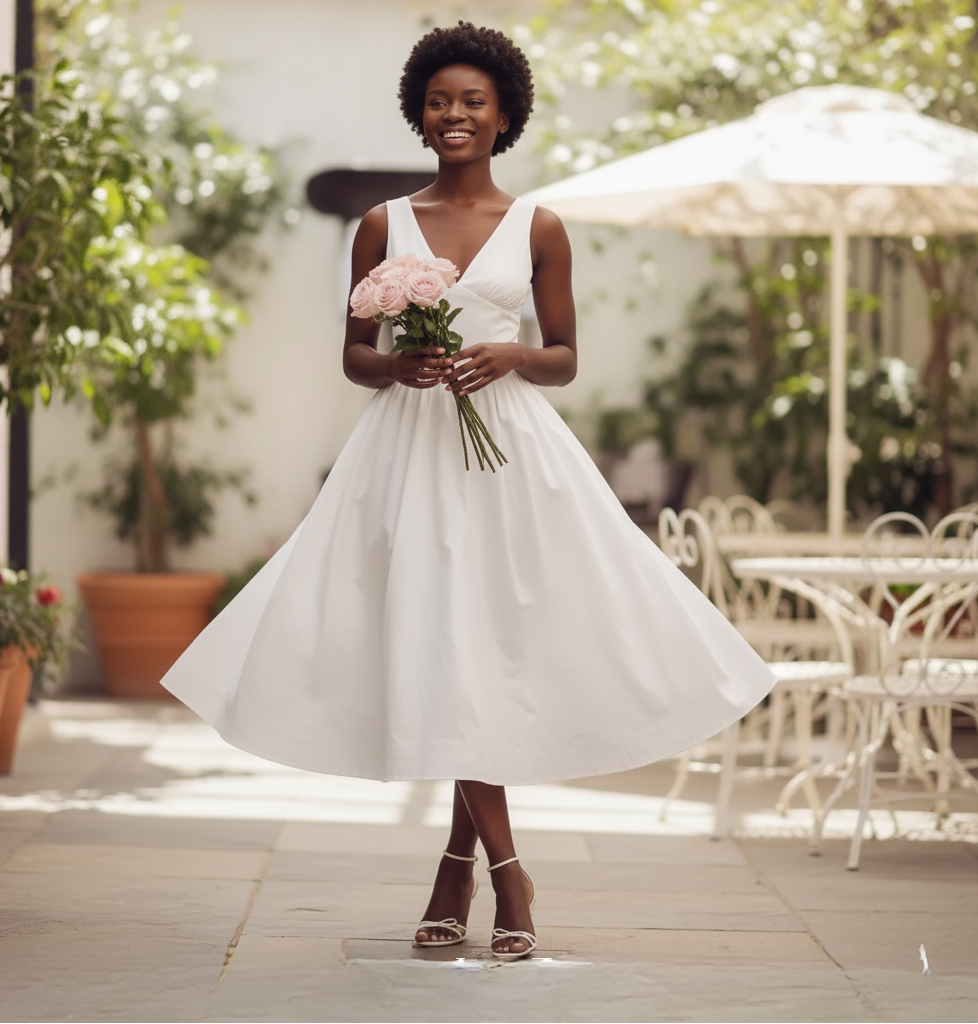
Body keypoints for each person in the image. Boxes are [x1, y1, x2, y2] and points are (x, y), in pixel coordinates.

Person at [161, 22, 775, 962]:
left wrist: (513, 355)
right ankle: (505, 876)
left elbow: (565, 359)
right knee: (444, 647)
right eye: (440, 101)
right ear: (419, 112)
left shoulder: (540, 227)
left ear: (504, 117)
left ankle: (459, 865)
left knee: (479, 651)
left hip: (509, 460)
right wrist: (398, 364)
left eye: (473, 102)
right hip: (408, 458)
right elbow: (354, 356)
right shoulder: (383, 225)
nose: (455, 115)